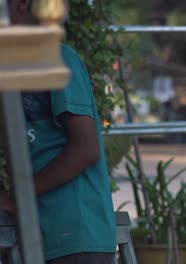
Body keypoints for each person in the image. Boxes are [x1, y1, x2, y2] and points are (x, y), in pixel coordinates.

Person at [0, 0, 116, 263]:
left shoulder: (58, 57)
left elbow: (86, 149)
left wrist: (19, 195)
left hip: (77, 234)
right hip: (40, 233)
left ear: (20, 5)